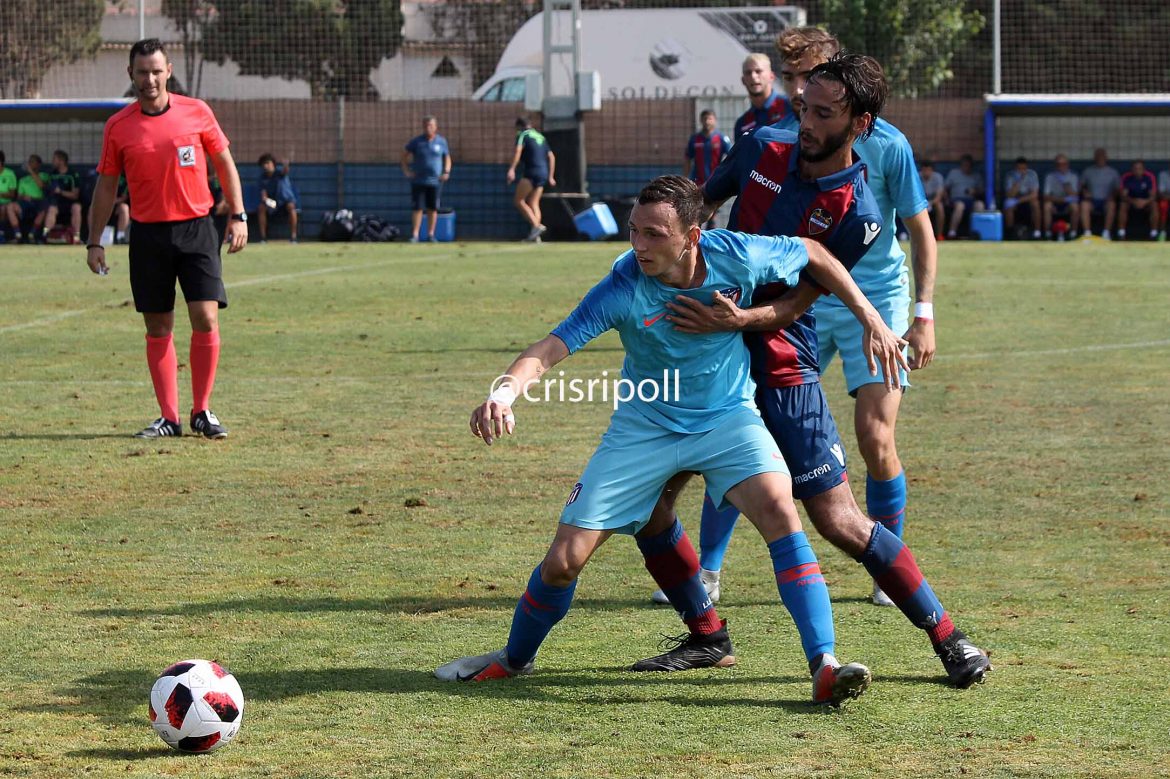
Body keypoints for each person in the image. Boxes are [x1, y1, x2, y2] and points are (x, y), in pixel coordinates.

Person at [436, 175, 910, 706]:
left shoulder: (739, 255)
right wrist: (503, 394)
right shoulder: (623, 285)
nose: (639, 245)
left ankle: (824, 664)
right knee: (564, 561)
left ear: (693, 234)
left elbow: (814, 253)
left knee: (781, 513)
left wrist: (871, 317)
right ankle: (513, 660)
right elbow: (550, 347)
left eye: (655, 234)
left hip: (728, 419)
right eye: (634, 231)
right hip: (645, 427)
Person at [646, 54, 991, 690]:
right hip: (702, 356)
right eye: (803, 105)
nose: (804, 122)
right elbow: (694, 208)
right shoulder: (759, 148)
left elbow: (799, 302)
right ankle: (706, 634)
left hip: (779, 357)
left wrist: (738, 321)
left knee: (838, 520)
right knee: (651, 502)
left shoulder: (856, 212)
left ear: (860, 123)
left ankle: (947, 635)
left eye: (823, 113)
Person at [689, 27, 939, 610]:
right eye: (798, 85)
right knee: (735, 427)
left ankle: (886, 564)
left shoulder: (888, 147)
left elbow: (920, 230)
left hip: (870, 297)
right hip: (795, 300)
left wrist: (921, 314)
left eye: (814, 80)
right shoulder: (775, 144)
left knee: (876, 438)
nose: (804, 97)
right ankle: (708, 570)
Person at [85, 37, 247, 439]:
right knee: (158, 327)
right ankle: (169, 418)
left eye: (157, 71)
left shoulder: (197, 113)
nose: (150, 79)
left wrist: (238, 214)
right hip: (148, 235)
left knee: (206, 317)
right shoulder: (119, 127)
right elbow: (106, 187)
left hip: (196, 229)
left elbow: (224, 162)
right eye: (142, 72)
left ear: (168, 71)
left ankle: (202, 411)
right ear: (131, 75)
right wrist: (94, 241)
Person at [401, 116, 451, 243]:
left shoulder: (441, 142)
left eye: (431, 126)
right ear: (423, 127)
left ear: (436, 127)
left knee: (432, 208)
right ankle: (415, 234)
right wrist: (407, 171)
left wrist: (446, 171)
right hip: (418, 180)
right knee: (417, 208)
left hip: (434, 181)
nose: (429, 128)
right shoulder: (416, 142)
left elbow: (447, 158)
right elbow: (404, 156)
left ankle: (430, 234)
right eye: (427, 126)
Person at [506, 117, 556, 243]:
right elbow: (551, 156)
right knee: (534, 203)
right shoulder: (540, 136)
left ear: (519, 126)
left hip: (531, 172)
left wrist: (512, 169)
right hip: (543, 173)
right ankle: (536, 236)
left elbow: (518, 151)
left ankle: (536, 226)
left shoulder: (523, 135)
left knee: (518, 201)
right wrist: (550, 176)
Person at [683, 110, 731, 229]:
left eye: (709, 119)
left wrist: (726, 174)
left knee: (712, 209)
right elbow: (688, 157)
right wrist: (685, 176)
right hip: (697, 180)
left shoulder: (721, 138)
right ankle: (694, 235)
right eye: (705, 119)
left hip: (714, 180)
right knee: (696, 209)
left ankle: (710, 230)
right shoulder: (695, 139)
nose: (707, 121)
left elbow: (731, 155)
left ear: (714, 120)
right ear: (701, 121)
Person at [733, 53, 792, 137]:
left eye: (758, 71)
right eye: (748, 73)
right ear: (743, 80)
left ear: (771, 76)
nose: (753, 76)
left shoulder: (791, 107)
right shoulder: (742, 124)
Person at [256, 153, 298, 243]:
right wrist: (269, 202)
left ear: (273, 164)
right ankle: (263, 238)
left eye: (267, 163)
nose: (265, 166)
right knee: (261, 208)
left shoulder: (280, 173)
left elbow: (285, 171)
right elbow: (264, 196)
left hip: (285, 203)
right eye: (263, 164)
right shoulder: (262, 179)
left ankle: (293, 237)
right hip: (273, 205)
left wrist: (286, 165)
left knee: (291, 206)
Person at [43, 149, 83, 244]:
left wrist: (60, 191)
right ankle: (45, 235)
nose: (52, 161)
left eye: (54, 159)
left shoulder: (72, 174)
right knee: (51, 209)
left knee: (76, 208)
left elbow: (75, 195)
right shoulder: (52, 174)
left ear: (62, 161)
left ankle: (77, 237)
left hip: (70, 202)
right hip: (56, 202)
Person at [1079, 148, 1119, 239]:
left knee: (1112, 205)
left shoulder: (1113, 172)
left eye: (1102, 156)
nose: (1100, 158)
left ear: (1106, 158)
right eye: (1098, 156)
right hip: (1092, 200)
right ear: (1095, 158)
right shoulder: (1088, 171)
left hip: (1106, 200)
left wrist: (1112, 195)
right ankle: (1087, 233)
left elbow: (1117, 188)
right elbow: (1081, 186)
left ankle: (1106, 233)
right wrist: (1085, 192)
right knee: (1084, 205)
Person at [943, 154, 985, 239]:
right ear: (961, 165)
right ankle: (952, 232)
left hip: (970, 200)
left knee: (980, 204)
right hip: (955, 200)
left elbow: (982, 191)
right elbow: (945, 189)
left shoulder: (976, 175)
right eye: (965, 165)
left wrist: (975, 191)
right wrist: (946, 200)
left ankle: (976, 232)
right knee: (960, 205)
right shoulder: (954, 173)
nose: (967, 167)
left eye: (969, 165)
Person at [1117, 159, 1158, 240]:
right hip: (1131, 201)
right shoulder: (1126, 177)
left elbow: (1153, 196)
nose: (1137, 170)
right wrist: (1133, 201)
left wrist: (1144, 202)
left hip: (1146, 202)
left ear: (1143, 169)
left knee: (1154, 205)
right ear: (1132, 169)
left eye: (1139, 168)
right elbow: (1123, 196)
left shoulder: (1149, 176)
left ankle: (1154, 233)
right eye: (1135, 168)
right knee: (1123, 205)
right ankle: (1121, 233)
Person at [1002, 156, 1041, 239]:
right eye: (1019, 169)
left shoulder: (1032, 174)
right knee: (1009, 205)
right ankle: (1010, 233)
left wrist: (1018, 200)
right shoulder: (1010, 175)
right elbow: (1010, 195)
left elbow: (1034, 194)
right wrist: (1019, 180)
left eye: (1023, 168)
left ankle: (1037, 232)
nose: (1021, 171)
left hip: (1025, 199)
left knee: (1036, 203)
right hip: (1014, 199)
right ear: (1015, 168)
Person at [1043, 154, 1080, 240]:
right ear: (1055, 165)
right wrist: (1061, 199)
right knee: (1047, 205)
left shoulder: (1073, 176)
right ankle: (1048, 233)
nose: (1061, 166)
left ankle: (1073, 233)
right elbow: (1046, 196)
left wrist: (1065, 184)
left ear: (1067, 164)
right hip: (1054, 203)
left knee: (1075, 206)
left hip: (1068, 204)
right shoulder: (1050, 176)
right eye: (1058, 164)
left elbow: (1075, 195)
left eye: (1064, 164)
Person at [16, 154, 49, 243]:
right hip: (26, 202)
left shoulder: (44, 175)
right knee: (12, 206)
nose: (29, 164)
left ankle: (32, 233)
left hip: (39, 201)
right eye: (29, 162)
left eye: (32, 162)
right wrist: (24, 197)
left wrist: (31, 172)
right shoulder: (23, 179)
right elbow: (19, 196)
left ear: (38, 164)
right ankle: (17, 234)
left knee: (44, 208)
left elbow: (41, 186)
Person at [918, 160, 945, 239]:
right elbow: (914, 194)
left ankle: (939, 234)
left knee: (939, 207)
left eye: (928, 170)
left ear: (932, 170)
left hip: (933, 201)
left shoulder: (938, 177)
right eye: (924, 170)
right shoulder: (916, 177)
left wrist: (930, 204)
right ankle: (920, 236)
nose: (926, 172)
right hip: (920, 201)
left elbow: (939, 195)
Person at [0, 151, 20, 242]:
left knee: (3, 209)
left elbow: (12, 194)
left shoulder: (10, 174)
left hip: (5, 203)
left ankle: (2, 234)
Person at [1158, 166, 1170, 241]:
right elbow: (1161, 194)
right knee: (1163, 205)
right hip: (1167, 199)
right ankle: (1162, 233)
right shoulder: (1163, 175)